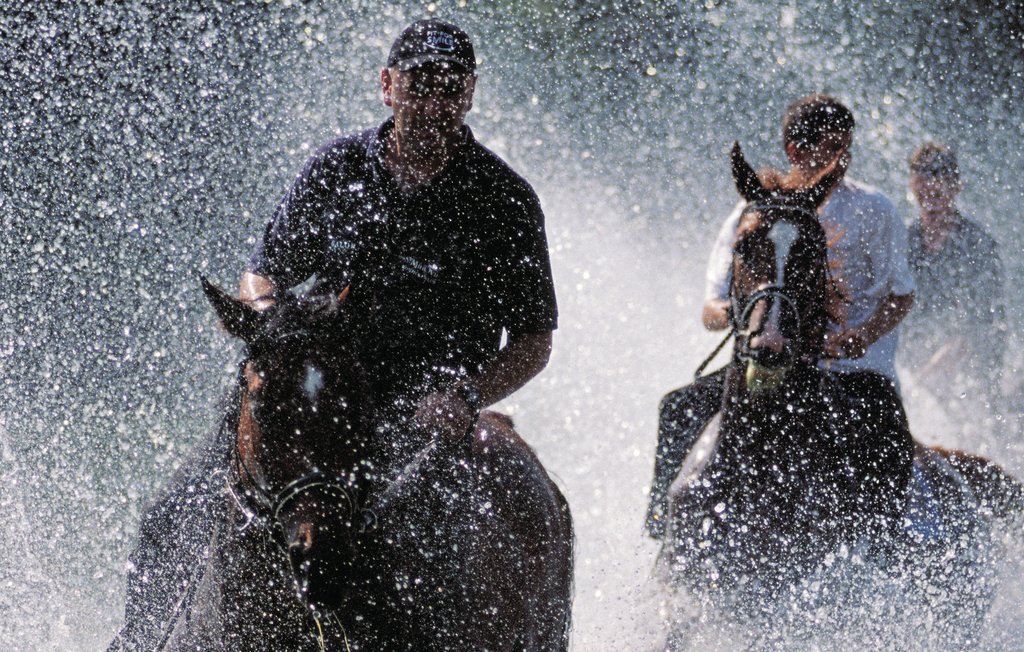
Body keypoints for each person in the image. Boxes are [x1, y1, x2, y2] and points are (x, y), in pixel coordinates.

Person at [111, 19, 557, 649]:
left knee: (454, 553)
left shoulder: (504, 200)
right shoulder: (336, 170)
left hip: (424, 415)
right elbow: (262, 272)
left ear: (471, 94)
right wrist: (268, 324)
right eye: (419, 84)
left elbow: (535, 343)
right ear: (387, 86)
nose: (433, 102)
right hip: (310, 399)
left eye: (450, 88)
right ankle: (135, 641)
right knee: (169, 514)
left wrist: (463, 397)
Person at [645, 94, 916, 540]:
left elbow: (901, 295)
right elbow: (710, 308)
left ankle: (883, 554)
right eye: (830, 149)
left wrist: (861, 335)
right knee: (678, 408)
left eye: (846, 149)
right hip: (764, 363)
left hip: (852, 371)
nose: (840, 161)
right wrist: (747, 315)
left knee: (886, 436)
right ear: (794, 150)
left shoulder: (875, 209)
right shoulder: (750, 215)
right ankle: (662, 539)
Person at [898, 142, 1006, 427]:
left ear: (956, 187)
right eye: (922, 186)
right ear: (912, 186)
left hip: (969, 376)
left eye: (938, 182)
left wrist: (930, 372)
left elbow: (981, 326)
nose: (930, 193)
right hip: (918, 369)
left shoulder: (977, 246)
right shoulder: (904, 242)